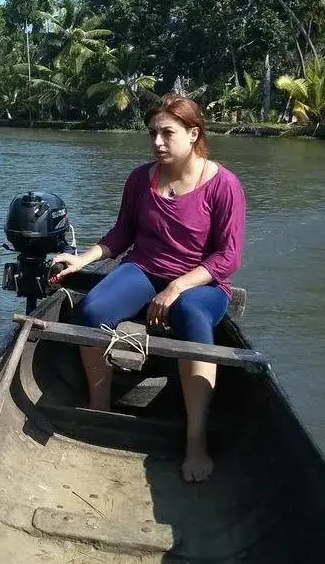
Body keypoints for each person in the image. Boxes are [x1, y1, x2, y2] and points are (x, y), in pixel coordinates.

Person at [49, 94, 246, 483]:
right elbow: (122, 233)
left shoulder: (224, 185)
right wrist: (82, 260)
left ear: (193, 134)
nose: (157, 142)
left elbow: (228, 257)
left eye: (167, 133)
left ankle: (195, 440)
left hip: (202, 281)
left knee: (191, 315)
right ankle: (100, 409)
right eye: (153, 133)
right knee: (91, 311)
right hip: (144, 268)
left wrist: (176, 287)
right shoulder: (141, 179)